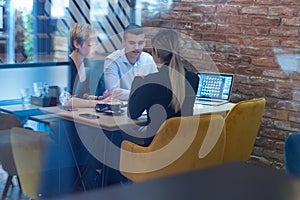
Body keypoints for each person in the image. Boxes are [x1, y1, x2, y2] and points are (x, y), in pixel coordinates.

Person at [125, 29, 199, 146]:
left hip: (156, 150)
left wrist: (137, 81)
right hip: (184, 148)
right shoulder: (193, 79)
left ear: (155, 52)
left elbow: (132, 113)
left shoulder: (150, 82)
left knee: (122, 137)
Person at [103, 24, 158, 101]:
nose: (136, 47)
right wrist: (145, 94)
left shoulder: (148, 59)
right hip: (120, 109)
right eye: (132, 43)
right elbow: (113, 93)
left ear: (145, 43)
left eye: (140, 43)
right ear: (123, 42)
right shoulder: (112, 60)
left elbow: (156, 89)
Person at [63, 23, 103, 107]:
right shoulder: (66, 67)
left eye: (95, 44)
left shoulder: (88, 66)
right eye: (90, 45)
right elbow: (67, 100)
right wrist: (99, 102)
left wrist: (99, 98)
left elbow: (83, 96)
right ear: (77, 44)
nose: (94, 48)